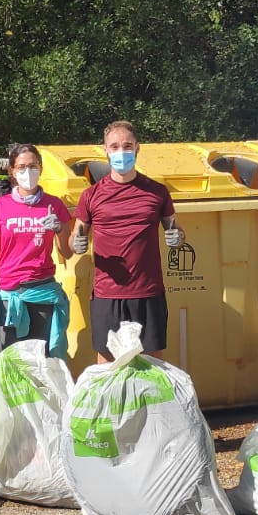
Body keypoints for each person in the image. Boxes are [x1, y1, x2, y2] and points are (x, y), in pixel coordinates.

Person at [69, 120, 182, 363]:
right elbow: (75, 236)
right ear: (105, 150)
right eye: (115, 146)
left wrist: (176, 237)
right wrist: (76, 243)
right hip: (107, 294)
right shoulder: (91, 195)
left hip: (148, 292)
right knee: (108, 367)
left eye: (127, 146)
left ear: (138, 148)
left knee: (152, 366)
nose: (122, 152)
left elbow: (175, 228)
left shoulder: (157, 192)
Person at [0, 143, 73, 360]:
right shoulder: (0, 206)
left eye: (33, 166)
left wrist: (59, 229)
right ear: (12, 171)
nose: (27, 172)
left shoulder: (54, 205)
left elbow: (67, 252)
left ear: (40, 169)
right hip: (6, 297)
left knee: (41, 362)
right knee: (7, 363)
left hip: (42, 294)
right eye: (21, 167)